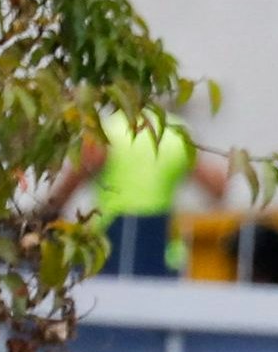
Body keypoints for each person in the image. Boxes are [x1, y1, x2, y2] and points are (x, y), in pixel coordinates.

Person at [35, 107, 232, 280]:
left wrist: (45, 214)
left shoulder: (107, 131)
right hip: (161, 242)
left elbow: (72, 181)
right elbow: (218, 188)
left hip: (112, 239)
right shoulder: (174, 132)